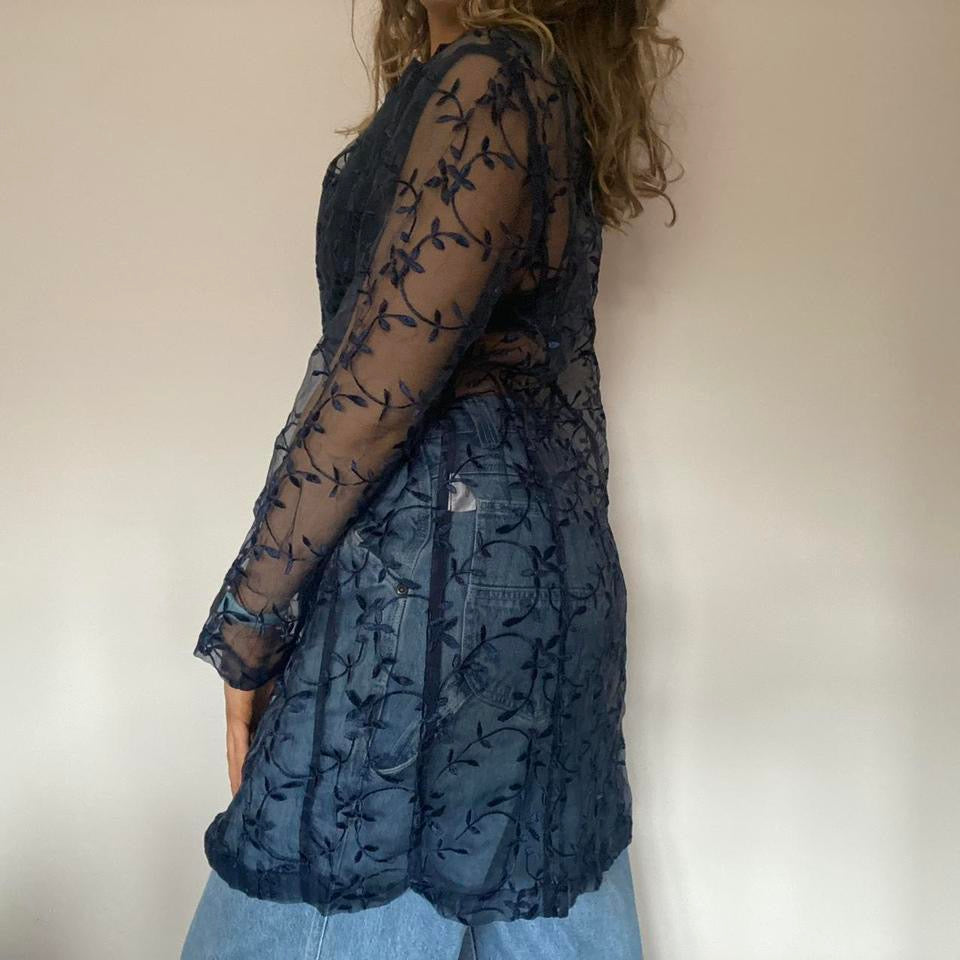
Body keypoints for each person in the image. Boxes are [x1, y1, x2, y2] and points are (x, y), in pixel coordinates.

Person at [181, 1, 681, 957]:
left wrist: (251, 621)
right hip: (535, 594)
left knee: (324, 888)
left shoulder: (491, 80)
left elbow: (372, 395)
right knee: (548, 901)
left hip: (426, 596)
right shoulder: (523, 85)